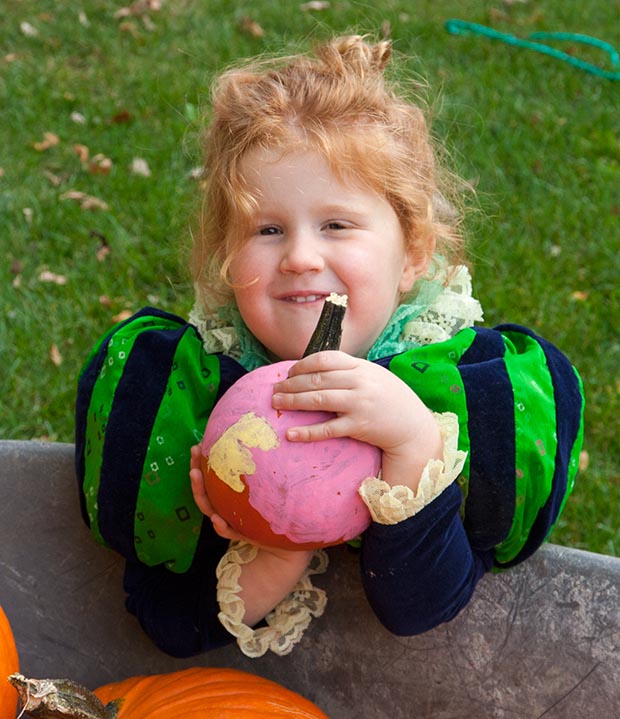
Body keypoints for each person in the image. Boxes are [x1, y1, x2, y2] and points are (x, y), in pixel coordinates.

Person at [75, 35, 585, 659]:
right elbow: (168, 626)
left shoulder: (460, 394)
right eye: (267, 230)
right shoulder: (190, 394)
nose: (300, 257)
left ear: (414, 255)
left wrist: (411, 442)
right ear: (226, 257)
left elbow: (421, 610)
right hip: (237, 717)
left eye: (336, 225)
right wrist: (276, 549)